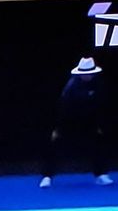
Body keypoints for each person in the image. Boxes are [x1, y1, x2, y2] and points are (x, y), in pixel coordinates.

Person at [38, 55, 113, 190]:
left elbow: (100, 105)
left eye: (90, 73)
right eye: (85, 73)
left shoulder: (98, 84)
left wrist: (99, 124)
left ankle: (101, 175)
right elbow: (63, 108)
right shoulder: (71, 87)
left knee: (97, 145)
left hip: (89, 122)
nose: (87, 76)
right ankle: (47, 177)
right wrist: (58, 129)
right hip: (69, 122)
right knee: (56, 147)